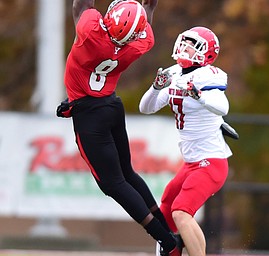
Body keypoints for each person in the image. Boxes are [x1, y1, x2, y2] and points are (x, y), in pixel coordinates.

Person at [56, 0, 182, 255]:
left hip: (90, 115)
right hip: (111, 106)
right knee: (127, 172)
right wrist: (150, 6)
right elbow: (144, 21)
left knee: (112, 184)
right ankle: (167, 228)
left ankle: (167, 243)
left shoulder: (91, 31)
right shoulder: (138, 44)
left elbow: (81, 6)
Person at [139, 26, 234, 256]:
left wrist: (198, 95)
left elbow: (223, 106)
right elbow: (146, 107)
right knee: (167, 206)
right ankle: (171, 251)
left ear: (207, 54)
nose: (186, 48)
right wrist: (155, 87)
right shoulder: (175, 73)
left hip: (210, 162)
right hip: (192, 163)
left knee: (181, 212)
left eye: (193, 45)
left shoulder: (206, 77)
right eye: (186, 42)